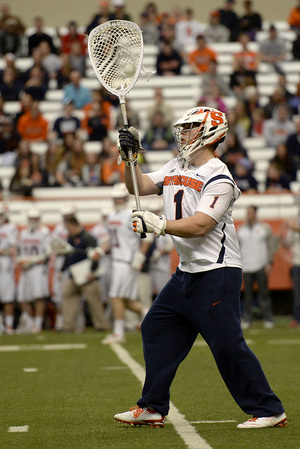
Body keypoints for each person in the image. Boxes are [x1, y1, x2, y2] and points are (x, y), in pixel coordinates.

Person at [114, 107, 286, 428]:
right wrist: (130, 159)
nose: (184, 133)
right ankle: (152, 405)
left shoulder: (219, 176)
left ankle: (269, 409)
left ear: (210, 133)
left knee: (226, 345)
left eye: (191, 127)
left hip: (217, 272)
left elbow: (200, 226)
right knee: (156, 327)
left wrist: (159, 224)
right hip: (188, 272)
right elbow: (136, 186)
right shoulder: (176, 165)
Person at [101, 182, 150, 344]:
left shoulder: (131, 214)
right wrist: (100, 250)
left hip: (126, 262)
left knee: (115, 296)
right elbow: (111, 239)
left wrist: (140, 256)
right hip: (116, 260)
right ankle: (149, 313)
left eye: (119, 198)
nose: (117, 201)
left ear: (125, 198)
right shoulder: (113, 216)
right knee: (124, 300)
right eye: (115, 199)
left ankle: (118, 333)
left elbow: (146, 238)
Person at [60, 211, 110, 332]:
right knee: (67, 294)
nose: (67, 229)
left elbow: (95, 255)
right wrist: (62, 269)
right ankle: (68, 325)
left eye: (68, 227)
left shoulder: (88, 237)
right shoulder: (71, 237)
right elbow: (68, 255)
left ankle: (101, 325)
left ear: (73, 225)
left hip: (87, 275)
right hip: (74, 274)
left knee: (94, 301)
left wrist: (92, 272)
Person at [237, 205, 278, 329]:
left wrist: (269, 262)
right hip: (246, 266)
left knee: (264, 293)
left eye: (250, 212)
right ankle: (248, 318)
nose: (248, 214)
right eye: (247, 212)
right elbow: (237, 248)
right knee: (248, 294)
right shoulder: (241, 229)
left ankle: (268, 318)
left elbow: (271, 245)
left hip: (261, 264)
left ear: (255, 213)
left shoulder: (264, 228)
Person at [16, 207, 51, 334]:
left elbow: (47, 253)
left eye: (35, 218)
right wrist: (21, 260)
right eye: (31, 218)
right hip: (25, 269)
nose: (33, 221)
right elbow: (19, 250)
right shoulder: (23, 232)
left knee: (38, 297)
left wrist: (31, 261)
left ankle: (38, 324)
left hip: (38, 268)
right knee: (21, 297)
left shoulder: (44, 231)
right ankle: (30, 323)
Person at [280, 211, 300, 328]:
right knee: (297, 293)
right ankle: (297, 318)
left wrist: (293, 227)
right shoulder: (295, 226)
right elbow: (288, 242)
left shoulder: (295, 226)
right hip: (297, 262)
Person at [0, 204, 17, 334]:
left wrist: (4, 251)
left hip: (5, 265)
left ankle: (9, 325)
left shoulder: (11, 228)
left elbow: (13, 249)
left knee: (8, 297)